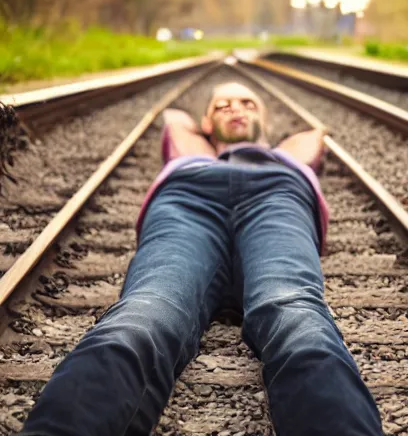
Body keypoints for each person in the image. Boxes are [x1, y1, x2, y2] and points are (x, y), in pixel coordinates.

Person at [21, 82, 383, 436]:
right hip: (189, 195)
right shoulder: (190, 150)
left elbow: (313, 135)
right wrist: (195, 126)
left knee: (295, 314)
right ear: (206, 125)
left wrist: (308, 130)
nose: (235, 108)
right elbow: (174, 118)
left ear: (266, 120)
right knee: (145, 313)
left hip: (276, 195)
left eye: (247, 103)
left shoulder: (288, 154)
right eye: (222, 105)